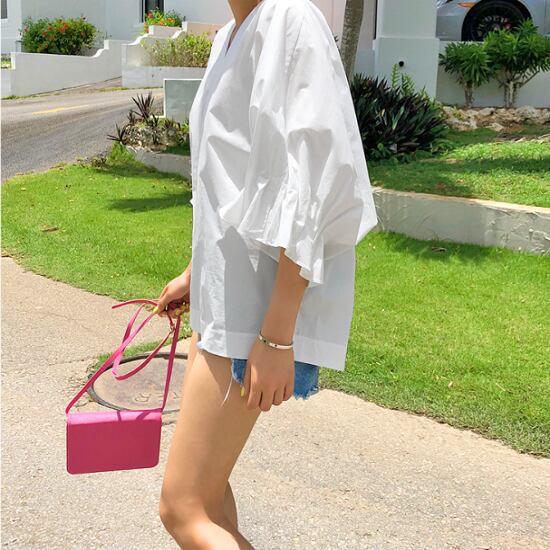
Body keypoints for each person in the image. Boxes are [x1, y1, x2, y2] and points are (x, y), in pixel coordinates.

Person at [155, 0, 378, 547]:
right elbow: (227, 182)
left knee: (184, 509)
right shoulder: (227, 38)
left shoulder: (291, 20)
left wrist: (277, 336)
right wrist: (195, 272)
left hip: (256, 314)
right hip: (222, 301)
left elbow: (313, 184)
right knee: (210, 501)